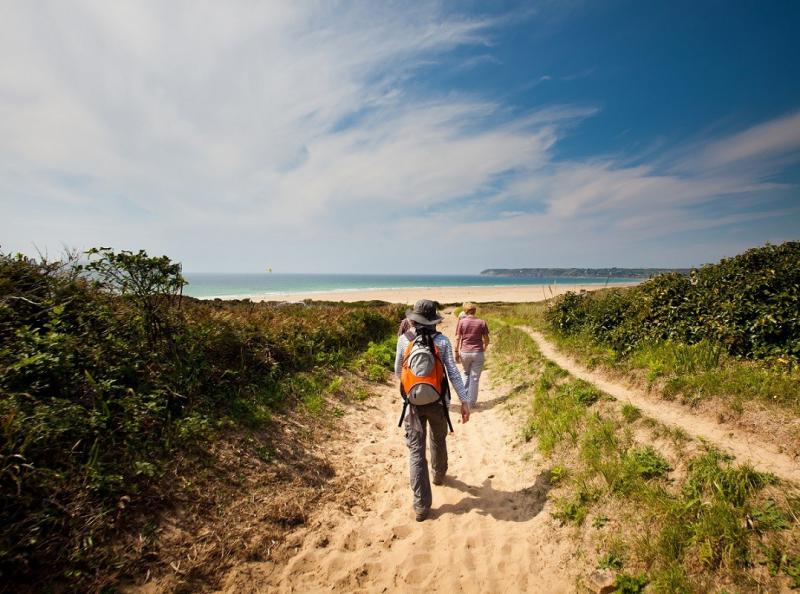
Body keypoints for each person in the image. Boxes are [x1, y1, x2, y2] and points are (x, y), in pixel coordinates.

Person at [395, 299, 471, 522]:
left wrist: (413, 386)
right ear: (434, 320)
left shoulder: (403, 340)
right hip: (439, 403)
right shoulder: (443, 341)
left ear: (415, 319)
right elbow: (454, 374)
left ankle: (421, 506)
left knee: (416, 452)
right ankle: (438, 475)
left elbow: (398, 370)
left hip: (412, 406)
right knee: (438, 438)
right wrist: (464, 401)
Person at [455, 302, 490, 406]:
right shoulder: (482, 322)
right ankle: (470, 403)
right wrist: (485, 347)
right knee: (474, 378)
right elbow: (487, 339)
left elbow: (457, 338)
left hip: (464, 352)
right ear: (475, 311)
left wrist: (456, 352)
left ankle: (463, 397)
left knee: (466, 373)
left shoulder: (461, 322)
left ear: (465, 311)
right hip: (477, 352)